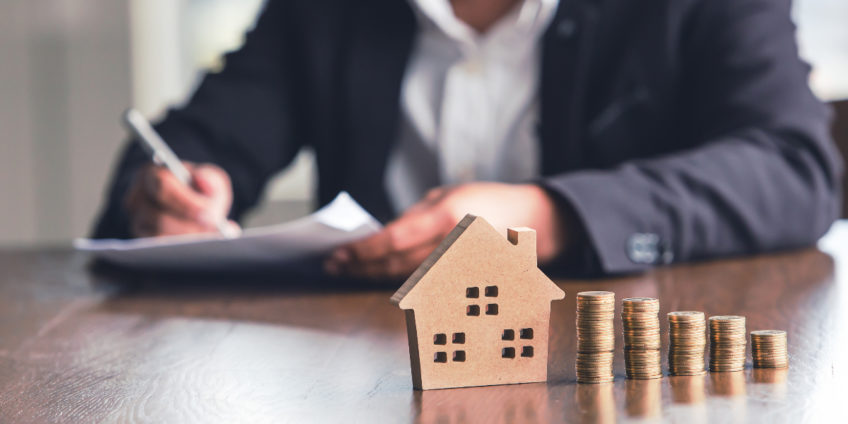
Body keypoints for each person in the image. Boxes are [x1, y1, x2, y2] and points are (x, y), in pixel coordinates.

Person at [93, 0, 843, 280]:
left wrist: (551, 215)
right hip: (368, 377)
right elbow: (194, 138)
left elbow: (795, 168)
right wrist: (171, 191)